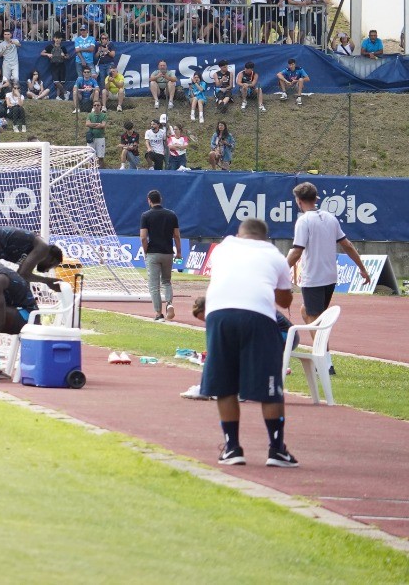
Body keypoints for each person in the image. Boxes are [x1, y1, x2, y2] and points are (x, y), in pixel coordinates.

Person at [200, 217, 298, 468]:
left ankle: (232, 448)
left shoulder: (223, 248)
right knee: (270, 387)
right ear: (265, 237)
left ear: (239, 234)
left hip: (219, 315)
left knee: (225, 385)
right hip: (258, 317)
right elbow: (284, 301)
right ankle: (276, 449)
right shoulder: (275, 255)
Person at [286, 181, 366, 323]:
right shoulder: (331, 218)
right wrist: (362, 268)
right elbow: (347, 245)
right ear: (316, 199)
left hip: (313, 278)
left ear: (298, 201)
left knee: (315, 318)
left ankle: (321, 339)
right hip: (330, 277)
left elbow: (297, 252)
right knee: (307, 311)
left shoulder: (303, 221)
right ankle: (320, 338)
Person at [0, 226, 64, 286]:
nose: (47, 271)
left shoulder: (34, 250)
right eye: (52, 266)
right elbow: (23, 275)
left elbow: (21, 276)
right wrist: (48, 281)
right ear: (51, 260)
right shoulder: (43, 248)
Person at [139, 189, 182, 321]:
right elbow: (176, 235)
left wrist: (145, 251)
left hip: (153, 252)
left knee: (154, 285)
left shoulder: (146, 216)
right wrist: (179, 252)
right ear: (160, 199)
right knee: (166, 281)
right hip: (168, 252)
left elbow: (143, 237)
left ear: (149, 200)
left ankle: (158, 314)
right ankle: (169, 303)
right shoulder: (171, 215)